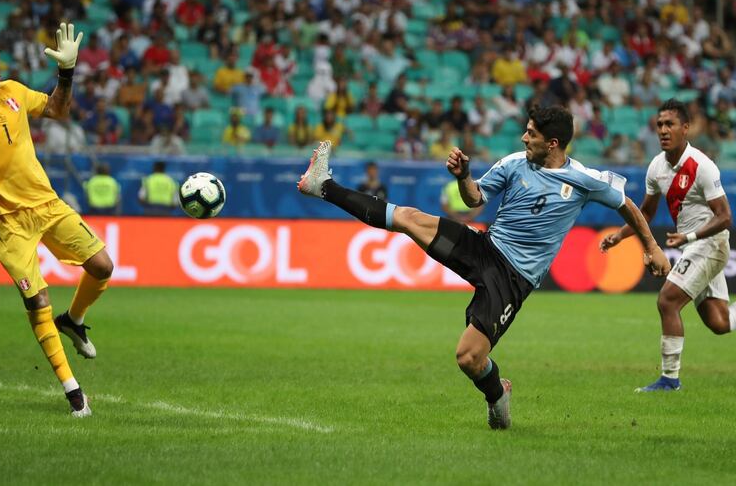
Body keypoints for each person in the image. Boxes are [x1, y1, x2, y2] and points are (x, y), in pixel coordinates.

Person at [297, 105, 670, 429]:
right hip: (485, 248)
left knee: (469, 358)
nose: (524, 138)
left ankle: (497, 395)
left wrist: (651, 247)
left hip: (512, 279)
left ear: (552, 144)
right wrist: (463, 177)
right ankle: (323, 186)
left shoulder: (585, 180)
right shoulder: (512, 163)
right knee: (409, 218)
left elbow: (628, 205)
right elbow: (475, 198)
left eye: (531, 134)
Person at [0, 26, 115, 417]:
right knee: (37, 300)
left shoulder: (14, 91)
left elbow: (57, 110)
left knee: (103, 265)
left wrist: (66, 72)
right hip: (7, 221)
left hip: (46, 204)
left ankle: (76, 320)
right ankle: (74, 392)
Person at [601, 99, 736, 392]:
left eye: (670, 124)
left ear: (685, 129)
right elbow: (646, 213)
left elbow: (725, 216)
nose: (663, 130)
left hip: (710, 244)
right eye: (660, 124)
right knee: (719, 323)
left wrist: (688, 237)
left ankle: (669, 380)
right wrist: (620, 236)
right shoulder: (656, 166)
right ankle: (670, 380)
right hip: (693, 247)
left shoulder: (702, 166)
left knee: (667, 300)